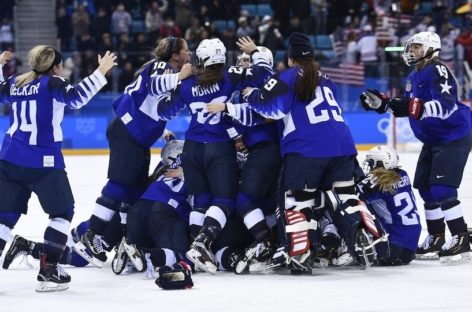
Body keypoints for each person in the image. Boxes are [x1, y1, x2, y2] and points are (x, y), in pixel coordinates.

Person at [239, 33, 385, 273]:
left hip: (306, 150)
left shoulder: (288, 76)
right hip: (343, 147)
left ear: (290, 58)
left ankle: (302, 252)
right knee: (346, 197)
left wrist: (251, 95)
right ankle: (363, 234)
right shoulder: (327, 79)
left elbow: (272, 109)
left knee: (298, 202)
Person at [0, 47, 117, 292]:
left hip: (9, 159)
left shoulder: (17, 83)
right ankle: (49, 270)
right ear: (56, 67)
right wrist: (101, 71)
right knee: (62, 212)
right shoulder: (52, 84)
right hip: (43, 162)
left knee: (4, 220)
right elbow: (77, 97)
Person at [153, 37, 273, 273]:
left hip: (192, 148)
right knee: (225, 201)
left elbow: (165, 109)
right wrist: (256, 51)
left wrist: (175, 80)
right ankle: (202, 243)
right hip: (218, 148)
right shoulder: (230, 76)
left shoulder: (187, 83)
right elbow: (263, 76)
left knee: (201, 202)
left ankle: (193, 250)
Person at [74, 37, 192, 267]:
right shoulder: (163, 67)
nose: (189, 54)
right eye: (186, 50)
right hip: (128, 133)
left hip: (137, 137)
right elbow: (154, 85)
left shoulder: (168, 73)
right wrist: (180, 77)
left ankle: (127, 241)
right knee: (119, 185)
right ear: (175, 54)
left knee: (133, 193)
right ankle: (92, 236)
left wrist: (162, 128)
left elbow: (159, 108)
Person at [360, 31, 472, 264]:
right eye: (411, 47)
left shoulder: (437, 69)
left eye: (417, 47)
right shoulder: (414, 74)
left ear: (432, 48)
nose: (411, 52)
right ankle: (436, 237)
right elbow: (408, 106)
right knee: (426, 189)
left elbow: (446, 106)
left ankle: (461, 238)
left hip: (453, 135)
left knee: (442, 188)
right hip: (434, 138)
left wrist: (411, 105)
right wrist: (383, 104)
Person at [357, 145, 421, 266]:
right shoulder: (403, 174)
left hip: (392, 248)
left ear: (381, 163)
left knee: (357, 206)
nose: (370, 167)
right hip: (411, 246)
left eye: (372, 163)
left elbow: (355, 193)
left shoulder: (376, 182)